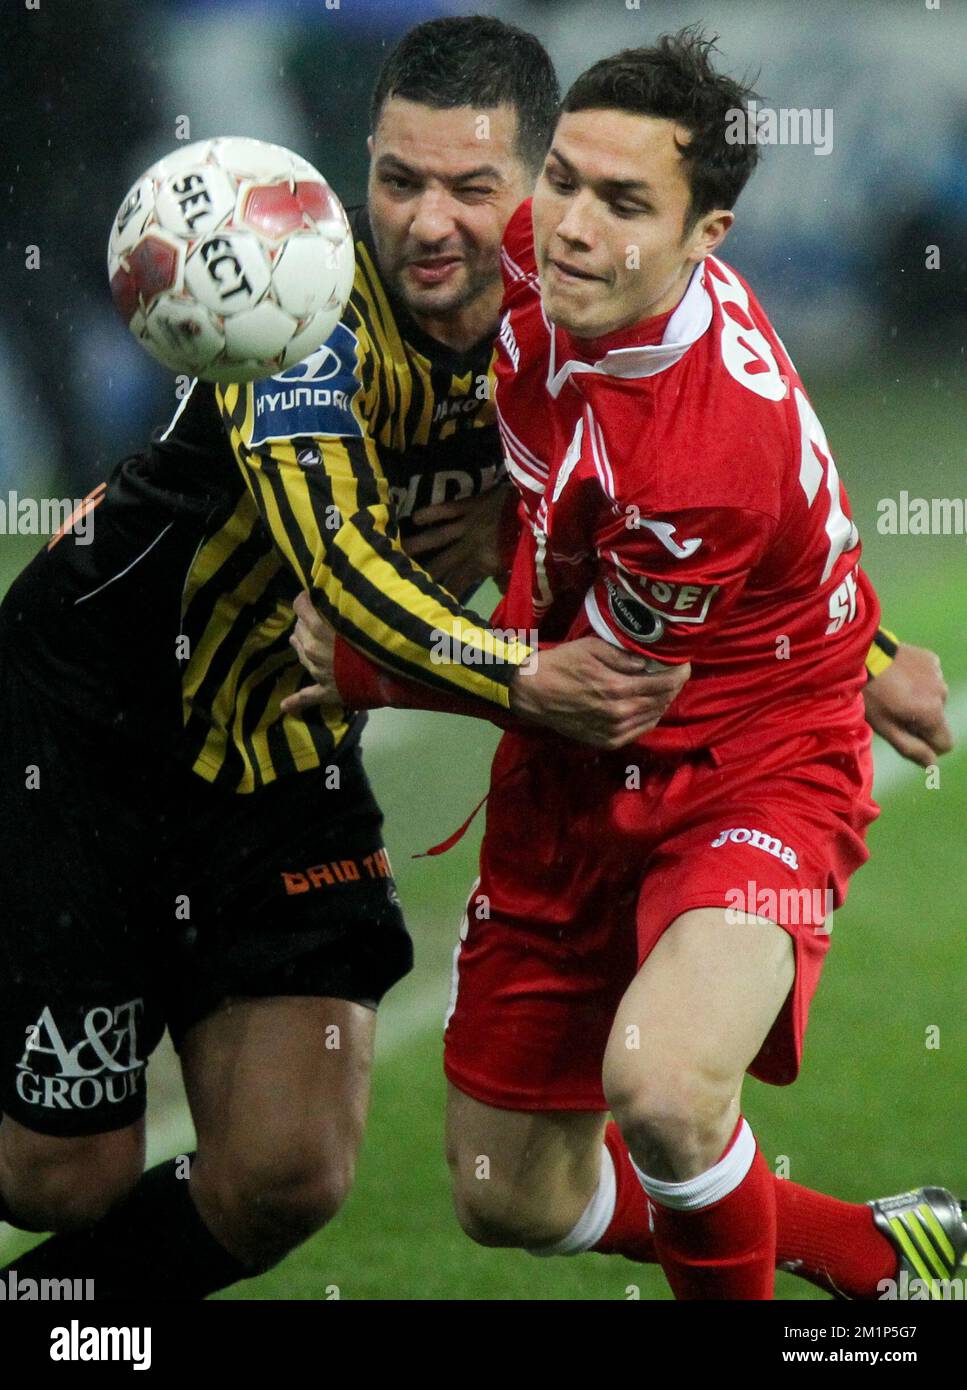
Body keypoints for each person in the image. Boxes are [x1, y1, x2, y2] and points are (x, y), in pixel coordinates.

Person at [1, 16, 674, 1302]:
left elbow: (708, 470)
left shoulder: (581, 301)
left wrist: (863, 647)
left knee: (287, 1172)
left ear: (538, 185)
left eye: (472, 189)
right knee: (59, 1180)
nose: (427, 222)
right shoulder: (297, 295)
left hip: (285, 750)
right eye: (399, 179)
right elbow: (348, 584)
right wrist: (530, 683)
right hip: (92, 732)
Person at [289, 28, 962, 1300]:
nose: (574, 229)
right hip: (573, 783)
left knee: (658, 1088)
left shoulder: (701, 454)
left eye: (624, 203)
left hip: (745, 764)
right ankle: (873, 1252)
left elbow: (599, 693)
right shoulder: (542, 254)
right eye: (563, 182)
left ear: (704, 235)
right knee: (507, 1194)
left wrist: (371, 664)